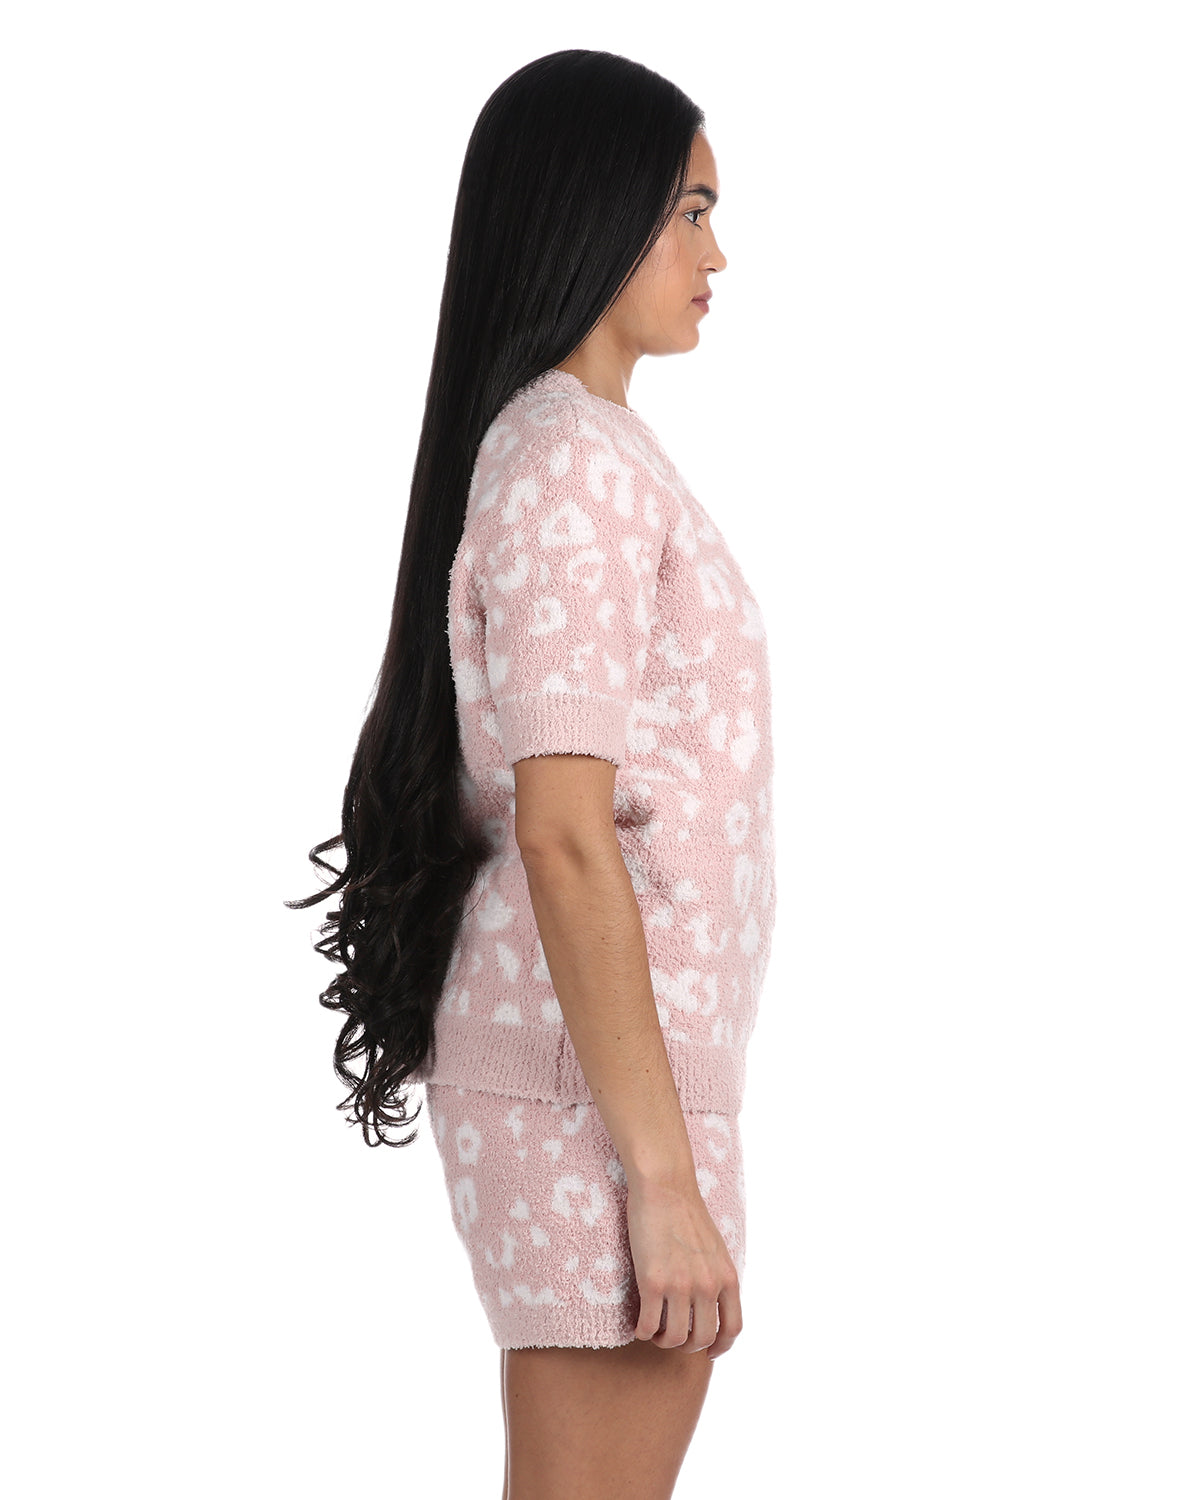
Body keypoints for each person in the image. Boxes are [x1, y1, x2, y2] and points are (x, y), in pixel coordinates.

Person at [288, 48, 776, 1499]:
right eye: (690, 212)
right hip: (596, 1106)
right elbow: (566, 834)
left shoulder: (582, 449)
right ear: (593, 212)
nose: (717, 255)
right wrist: (660, 1177)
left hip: (605, 1088)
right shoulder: (571, 463)